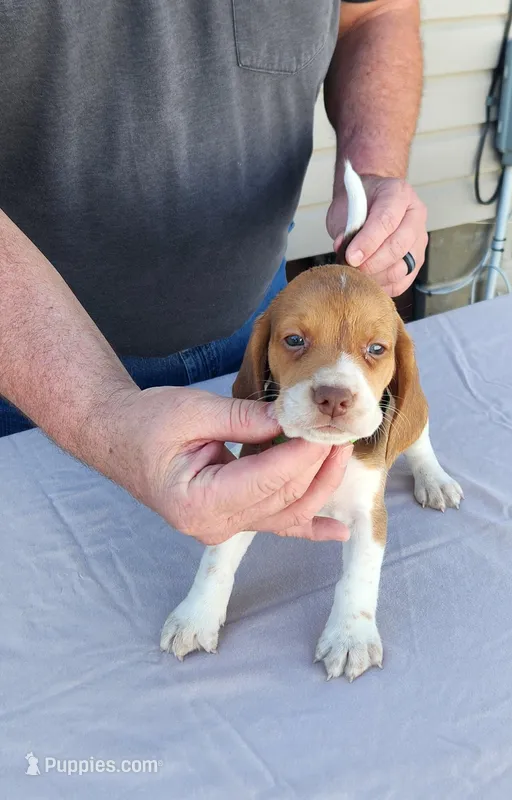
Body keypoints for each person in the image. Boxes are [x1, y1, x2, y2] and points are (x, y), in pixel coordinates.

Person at [0, 0, 426, 545]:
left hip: (266, 330)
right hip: (29, 367)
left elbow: (376, 12)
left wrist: (372, 172)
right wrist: (94, 412)